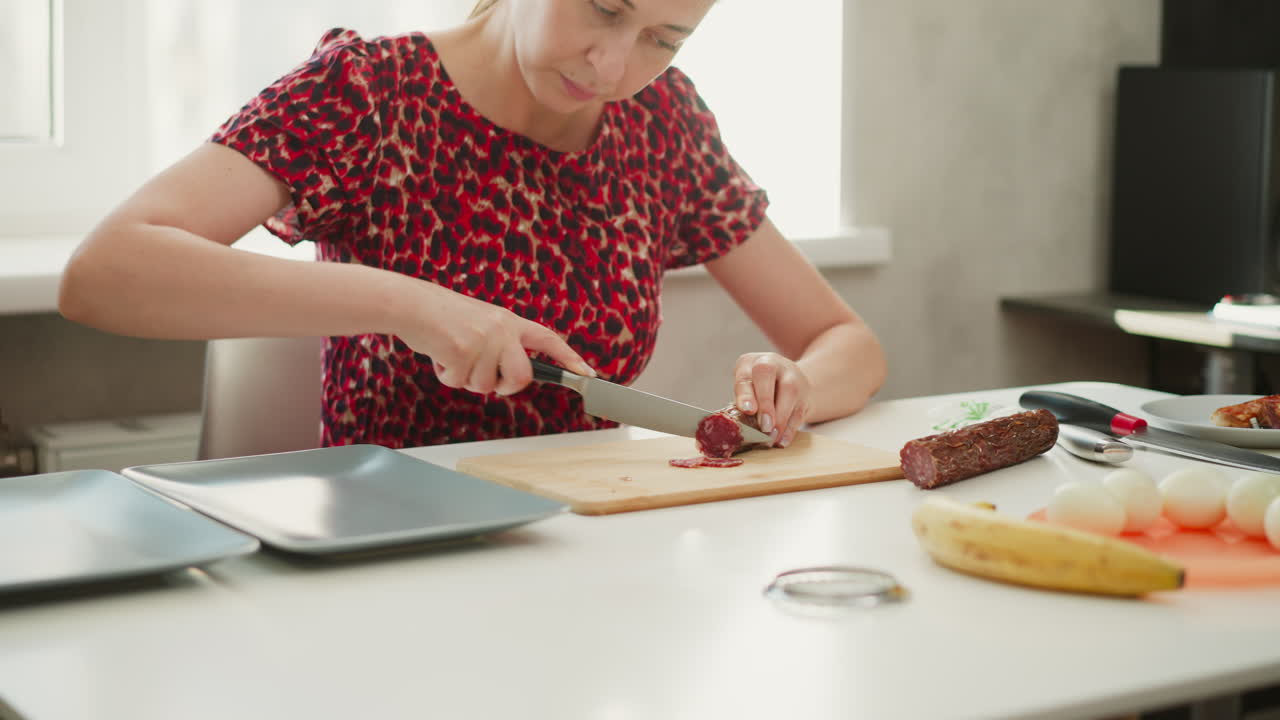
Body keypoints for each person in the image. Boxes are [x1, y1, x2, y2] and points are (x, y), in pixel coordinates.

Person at [58, 0, 886, 451]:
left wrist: (799, 388)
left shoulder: (664, 120)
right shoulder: (369, 92)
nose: (615, 67)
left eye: (663, 39)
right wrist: (416, 306)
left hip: (584, 549)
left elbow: (845, 339)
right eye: (602, 9)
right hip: (390, 557)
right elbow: (104, 273)